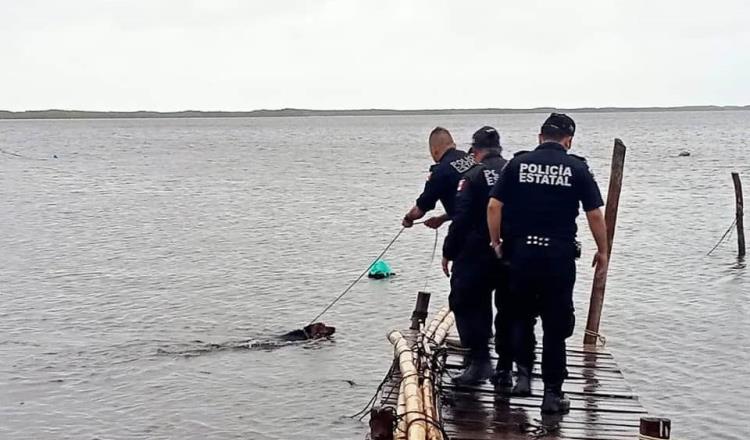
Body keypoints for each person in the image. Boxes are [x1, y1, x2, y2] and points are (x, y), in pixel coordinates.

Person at [486, 113, 608, 413]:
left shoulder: (517, 164)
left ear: (540, 137)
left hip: (522, 255)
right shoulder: (578, 168)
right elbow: (594, 214)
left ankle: (523, 378)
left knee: (522, 317)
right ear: (568, 140)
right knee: (556, 325)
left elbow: (493, 205)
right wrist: (603, 250)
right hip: (558, 257)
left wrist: (496, 241)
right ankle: (552, 394)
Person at [442, 126, 507, 385]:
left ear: (476, 151)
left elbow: (462, 218)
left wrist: (449, 251)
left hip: (477, 251)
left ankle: (479, 362)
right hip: (509, 250)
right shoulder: (512, 170)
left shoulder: (473, 175)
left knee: (464, 302)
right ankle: (506, 369)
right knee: (508, 308)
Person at [402, 127, 474, 229]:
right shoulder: (471, 158)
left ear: (434, 151)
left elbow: (420, 210)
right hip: (491, 222)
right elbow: (470, 205)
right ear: (453, 145)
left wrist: (408, 218)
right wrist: (441, 219)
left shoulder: (440, 172)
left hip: (469, 229)